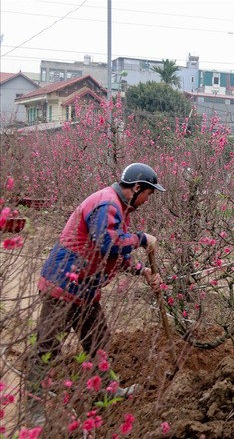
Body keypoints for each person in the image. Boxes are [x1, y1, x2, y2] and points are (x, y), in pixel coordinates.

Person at [27, 163, 165, 423]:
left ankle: (105, 388)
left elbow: (110, 256)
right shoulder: (107, 204)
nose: (148, 199)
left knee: (98, 339)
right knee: (47, 347)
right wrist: (141, 239)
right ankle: (33, 407)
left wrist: (142, 271)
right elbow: (108, 244)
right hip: (63, 286)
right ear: (136, 188)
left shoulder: (118, 209)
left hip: (86, 289)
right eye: (149, 193)